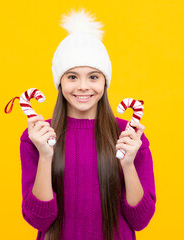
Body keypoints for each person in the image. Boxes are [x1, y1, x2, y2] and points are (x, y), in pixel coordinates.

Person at [19, 8, 156, 240]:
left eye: (93, 76)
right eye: (72, 76)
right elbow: (39, 219)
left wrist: (129, 163)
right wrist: (45, 154)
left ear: (105, 82)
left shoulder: (129, 136)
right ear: (59, 82)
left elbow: (140, 220)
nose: (83, 86)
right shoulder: (37, 136)